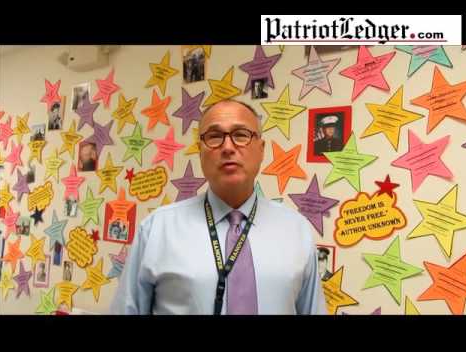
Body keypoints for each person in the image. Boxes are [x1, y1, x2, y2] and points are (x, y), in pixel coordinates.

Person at [111, 99, 327, 315]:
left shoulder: (297, 230)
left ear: (261, 150)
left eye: (241, 135)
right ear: (200, 151)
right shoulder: (156, 229)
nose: (228, 147)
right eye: (214, 137)